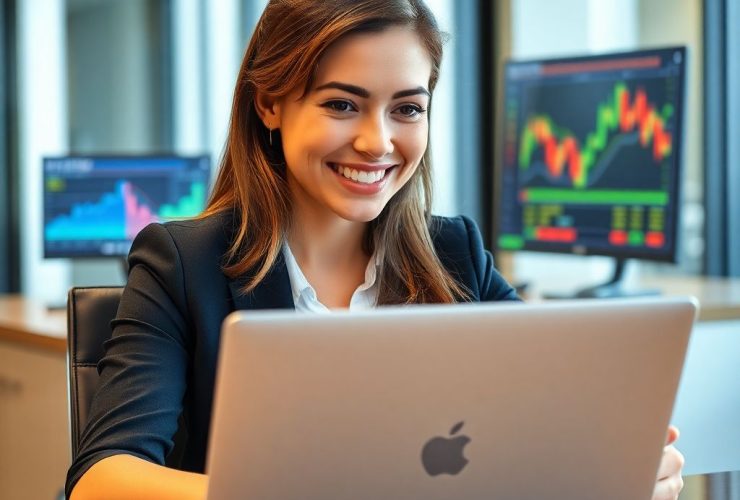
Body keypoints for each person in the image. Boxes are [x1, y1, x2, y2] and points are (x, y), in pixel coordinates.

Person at [66, 1, 684, 499]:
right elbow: (101, 480)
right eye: (342, 104)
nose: (376, 141)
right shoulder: (183, 263)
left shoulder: (456, 255)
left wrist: (627, 465)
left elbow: (559, 420)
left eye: (407, 108)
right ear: (270, 104)